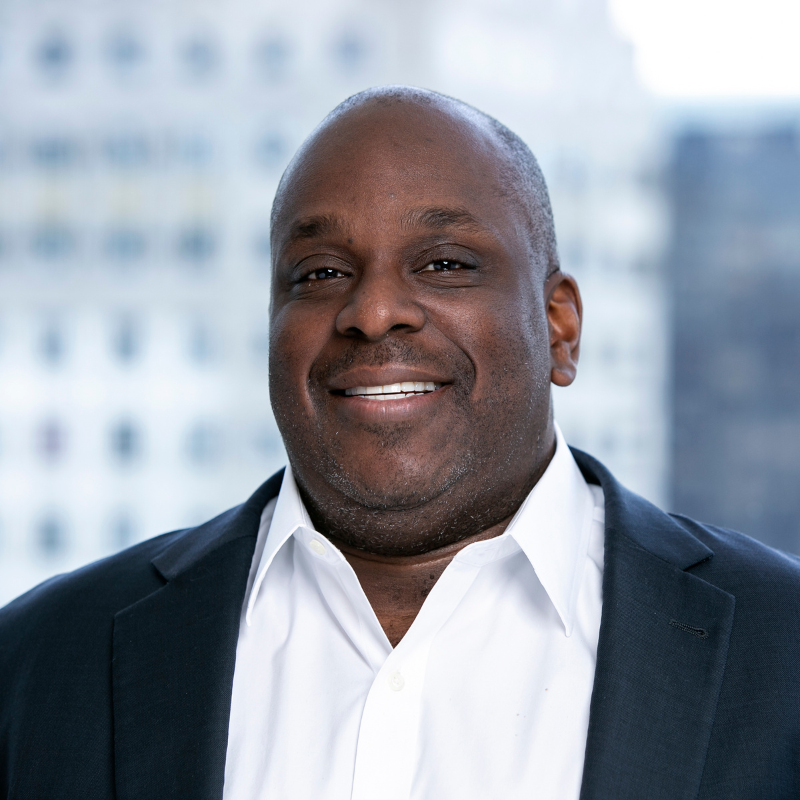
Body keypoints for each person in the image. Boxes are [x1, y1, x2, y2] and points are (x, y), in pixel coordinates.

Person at [1, 87, 799, 800]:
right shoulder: (40, 662)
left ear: (560, 328)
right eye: (320, 273)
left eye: (445, 264)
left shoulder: (781, 652)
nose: (374, 311)